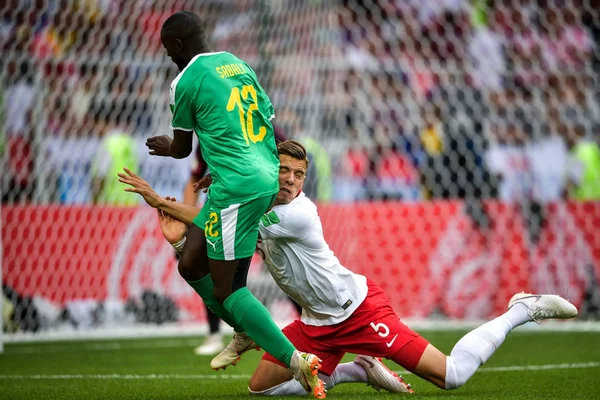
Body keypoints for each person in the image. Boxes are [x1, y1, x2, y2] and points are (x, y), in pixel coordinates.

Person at [119, 140, 578, 396]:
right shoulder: (257, 202)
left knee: (452, 376)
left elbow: (213, 220)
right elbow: (216, 239)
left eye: (298, 174)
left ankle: (521, 308)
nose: (290, 180)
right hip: (314, 324)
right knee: (260, 390)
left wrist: (161, 202)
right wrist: (183, 246)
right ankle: (356, 370)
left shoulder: (298, 213)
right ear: (270, 170)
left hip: (357, 310)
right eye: (283, 170)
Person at [144, 11, 325, 398]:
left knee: (228, 291)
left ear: (177, 46)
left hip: (237, 186)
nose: (166, 56)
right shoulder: (237, 63)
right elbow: (265, 121)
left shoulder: (184, 81)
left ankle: (296, 360)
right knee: (191, 261)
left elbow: (181, 149)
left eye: (166, 49)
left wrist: (163, 144)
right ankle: (245, 330)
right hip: (254, 175)